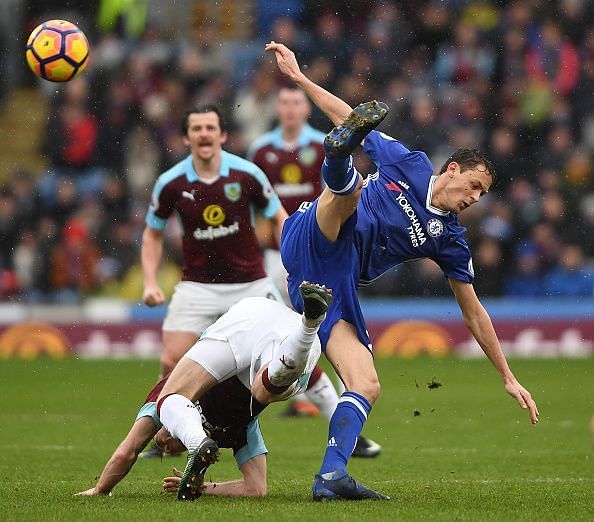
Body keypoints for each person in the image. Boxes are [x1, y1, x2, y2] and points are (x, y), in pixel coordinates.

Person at [265, 41, 539, 501]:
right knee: (347, 195)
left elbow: (473, 312)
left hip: (329, 282)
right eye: (473, 185)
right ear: (451, 170)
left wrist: (507, 376)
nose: (474, 198)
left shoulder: (450, 240)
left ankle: (330, 478)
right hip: (311, 232)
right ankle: (339, 159)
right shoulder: (409, 163)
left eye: (482, 195)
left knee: (366, 383)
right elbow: (344, 112)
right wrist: (299, 79)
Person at [76, 281, 333, 499]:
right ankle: (308, 328)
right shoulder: (241, 430)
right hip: (285, 333)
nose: (163, 445)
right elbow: (256, 489)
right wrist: (206, 488)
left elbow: (127, 451)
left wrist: (100, 489)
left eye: (161, 446)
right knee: (262, 391)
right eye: (168, 452)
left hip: (247, 320)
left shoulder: (161, 401)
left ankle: (197, 442)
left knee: (169, 399)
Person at [247, 85, 381, 458]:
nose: (289, 108)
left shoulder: (322, 144)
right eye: (284, 102)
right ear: (277, 108)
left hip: (321, 252)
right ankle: (342, 424)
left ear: (306, 110)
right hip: (276, 256)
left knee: (316, 336)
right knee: (301, 336)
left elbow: (339, 193)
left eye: (296, 103)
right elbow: (255, 197)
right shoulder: (261, 150)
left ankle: (344, 424)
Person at [142, 104, 288, 380]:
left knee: (278, 358)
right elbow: (152, 233)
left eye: (210, 128)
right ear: (186, 138)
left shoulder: (247, 174)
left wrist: (291, 263)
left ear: (222, 136)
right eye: (196, 129)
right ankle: (168, 422)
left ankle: (257, 417)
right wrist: (150, 281)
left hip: (250, 283)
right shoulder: (170, 183)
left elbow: (281, 217)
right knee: (171, 360)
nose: (204, 134)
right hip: (198, 286)